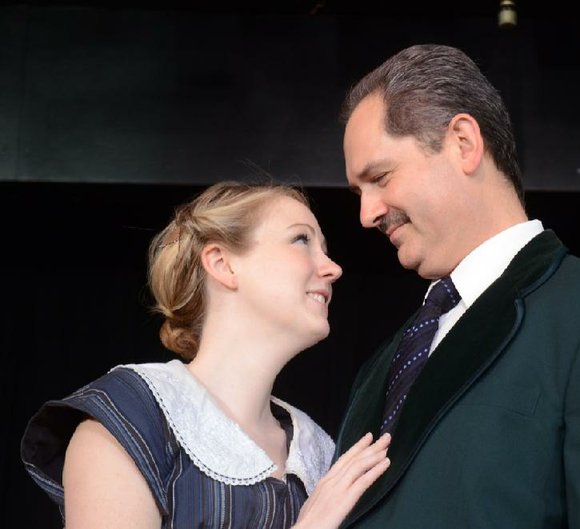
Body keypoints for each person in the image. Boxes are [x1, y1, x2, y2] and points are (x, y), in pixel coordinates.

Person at [334, 44, 580, 528]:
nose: (367, 214)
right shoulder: (383, 364)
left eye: (379, 177)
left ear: (464, 143)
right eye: (359, 193)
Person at [20, 180, 391, 529]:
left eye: (324, 249)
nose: (333, 268)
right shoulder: (131, 419)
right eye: (300, 240)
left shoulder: (319, 453)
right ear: (222, 264)